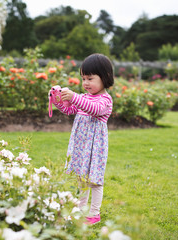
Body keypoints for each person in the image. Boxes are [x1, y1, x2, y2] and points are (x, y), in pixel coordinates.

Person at [51, 53, 114, 225]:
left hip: (95, 147)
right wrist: (58, 100)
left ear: (105, 78)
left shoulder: (105, 100)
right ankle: (80, 210)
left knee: (94, 180)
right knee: (81, 178)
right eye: (83, 78)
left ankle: (94, 214)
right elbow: (70, 110)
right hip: (81, 145)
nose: (85, 83)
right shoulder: (84, 98)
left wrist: (74, 97)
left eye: (90, 78)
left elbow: (94, 109)